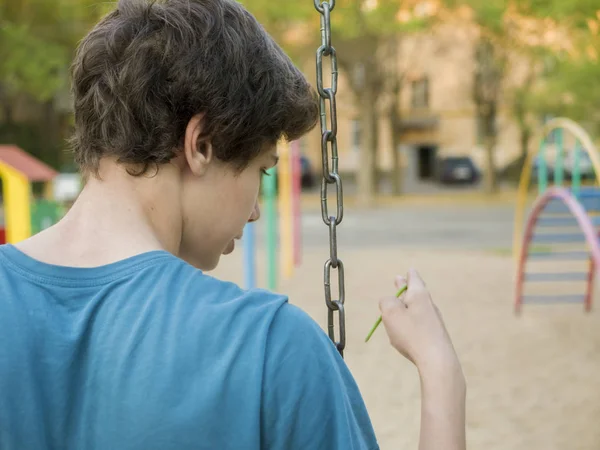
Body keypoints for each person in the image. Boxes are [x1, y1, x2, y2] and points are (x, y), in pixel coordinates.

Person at [0, 0, 466, 449]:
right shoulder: (269, 346)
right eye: (261, 170)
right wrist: (441, 373)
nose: (255, 210)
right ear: (200, 145)